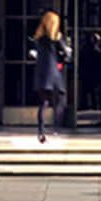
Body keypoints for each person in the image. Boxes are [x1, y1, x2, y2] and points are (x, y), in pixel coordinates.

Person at [29, 10, 70, 143]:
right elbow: (67, 55)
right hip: (54, 74)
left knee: (43, 103)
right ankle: (56, 128)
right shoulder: (57, 38)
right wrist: (64, 58)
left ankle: (41, 131)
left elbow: (32, 53)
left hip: (41, 74)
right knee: (60, 101)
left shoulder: (38, 38)